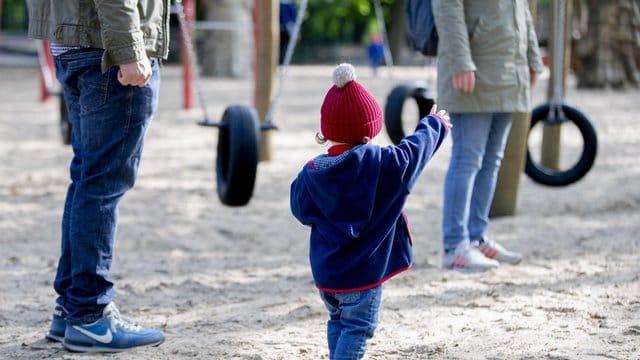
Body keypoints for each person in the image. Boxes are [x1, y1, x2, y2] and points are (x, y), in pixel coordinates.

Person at [26, 0, 170, 352]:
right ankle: (90, 314)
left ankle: (71, 307)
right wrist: (129, 49)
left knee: (87, 180)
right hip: (106, 50)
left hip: (76, 43)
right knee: (100, 185)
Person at [290, 63, 451, 360]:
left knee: (339, 320)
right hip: (361, 275)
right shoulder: (382, 165)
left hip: (327, 273)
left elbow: (299, 209)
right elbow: (414, 152)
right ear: (368, 136)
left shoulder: (310, 174)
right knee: (358, 327)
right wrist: (435, 124)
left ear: (327, 133)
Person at [432, 0, 544, 272]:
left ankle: (476, 237)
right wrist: (460, 61)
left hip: (509, 73)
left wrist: (532, 58)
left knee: (492, 161)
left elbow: (523, 11)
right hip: (474, 70)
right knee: (468, 160)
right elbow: (447, 7)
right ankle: (454, 246)